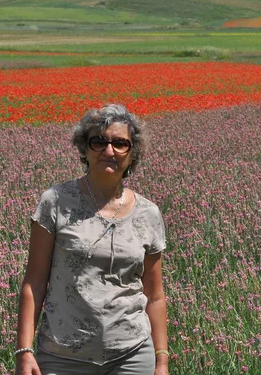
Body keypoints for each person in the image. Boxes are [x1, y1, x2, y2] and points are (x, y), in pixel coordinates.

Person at [15, 104, 169, 375]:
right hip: (61, 357)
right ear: (84, 149)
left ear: (132, 155)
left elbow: (154, 296)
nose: (109, 151)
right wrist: (25, 351)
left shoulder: (149, 213)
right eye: (99, 141)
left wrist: (162, 361)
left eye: (121, 144)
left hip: (131, 356)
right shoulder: (56, 202)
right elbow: (34, 282)